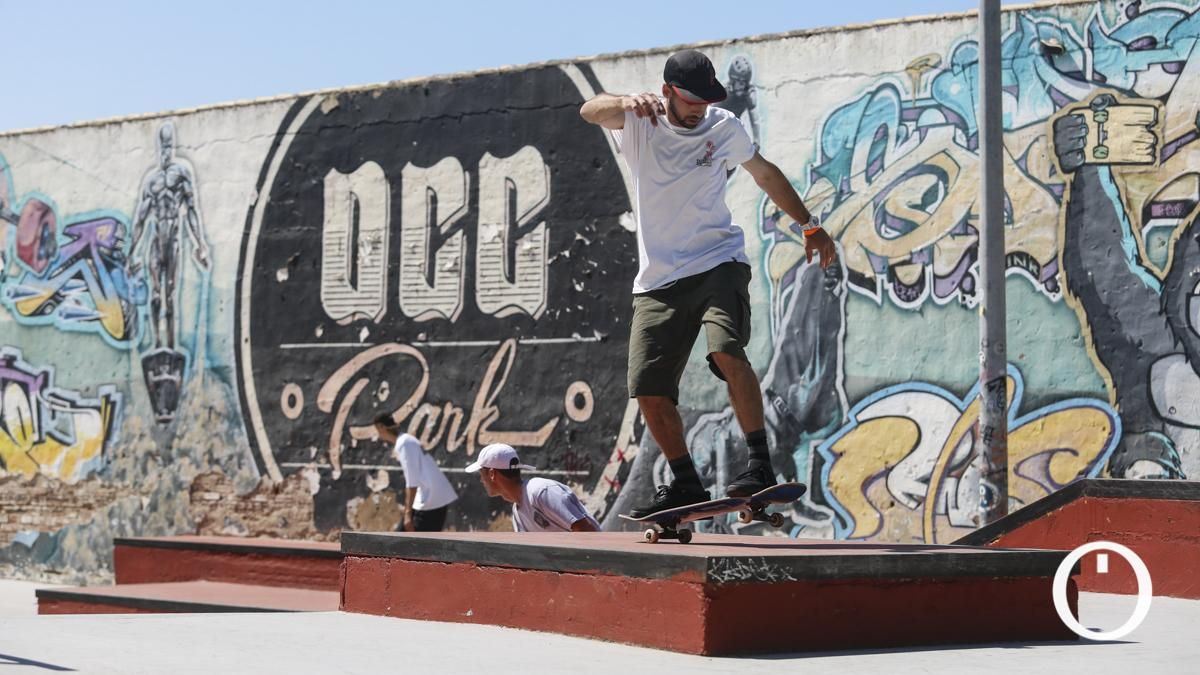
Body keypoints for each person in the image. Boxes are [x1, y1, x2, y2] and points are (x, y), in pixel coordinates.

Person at [579, 49, 837, 517]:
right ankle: (685, 483)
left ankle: (760, 464)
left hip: (718, 262)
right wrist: (624, 99)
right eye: (691, 101)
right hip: (658, 280)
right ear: (667, 94)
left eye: (706, 100)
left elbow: (765, 174)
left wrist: (809, 224)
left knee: (726, 350)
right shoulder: (641, 123)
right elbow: (589, 110)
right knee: (648, 388)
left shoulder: (723, 127)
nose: (700, 109)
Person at [465, 443, 600, 532]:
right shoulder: (517, 513)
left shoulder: (540, 491)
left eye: (481, 474)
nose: (481, 480)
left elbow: (587, 531)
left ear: (492, 474)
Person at [374, 413, 458, 532]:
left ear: (381, 427)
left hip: (431, 501)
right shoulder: (406, 440)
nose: (378, 434)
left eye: (377, 429)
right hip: (431, 499)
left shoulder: (404, 444)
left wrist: (408, 515)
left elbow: (412, 481)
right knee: (404, 542)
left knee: (416, 545)